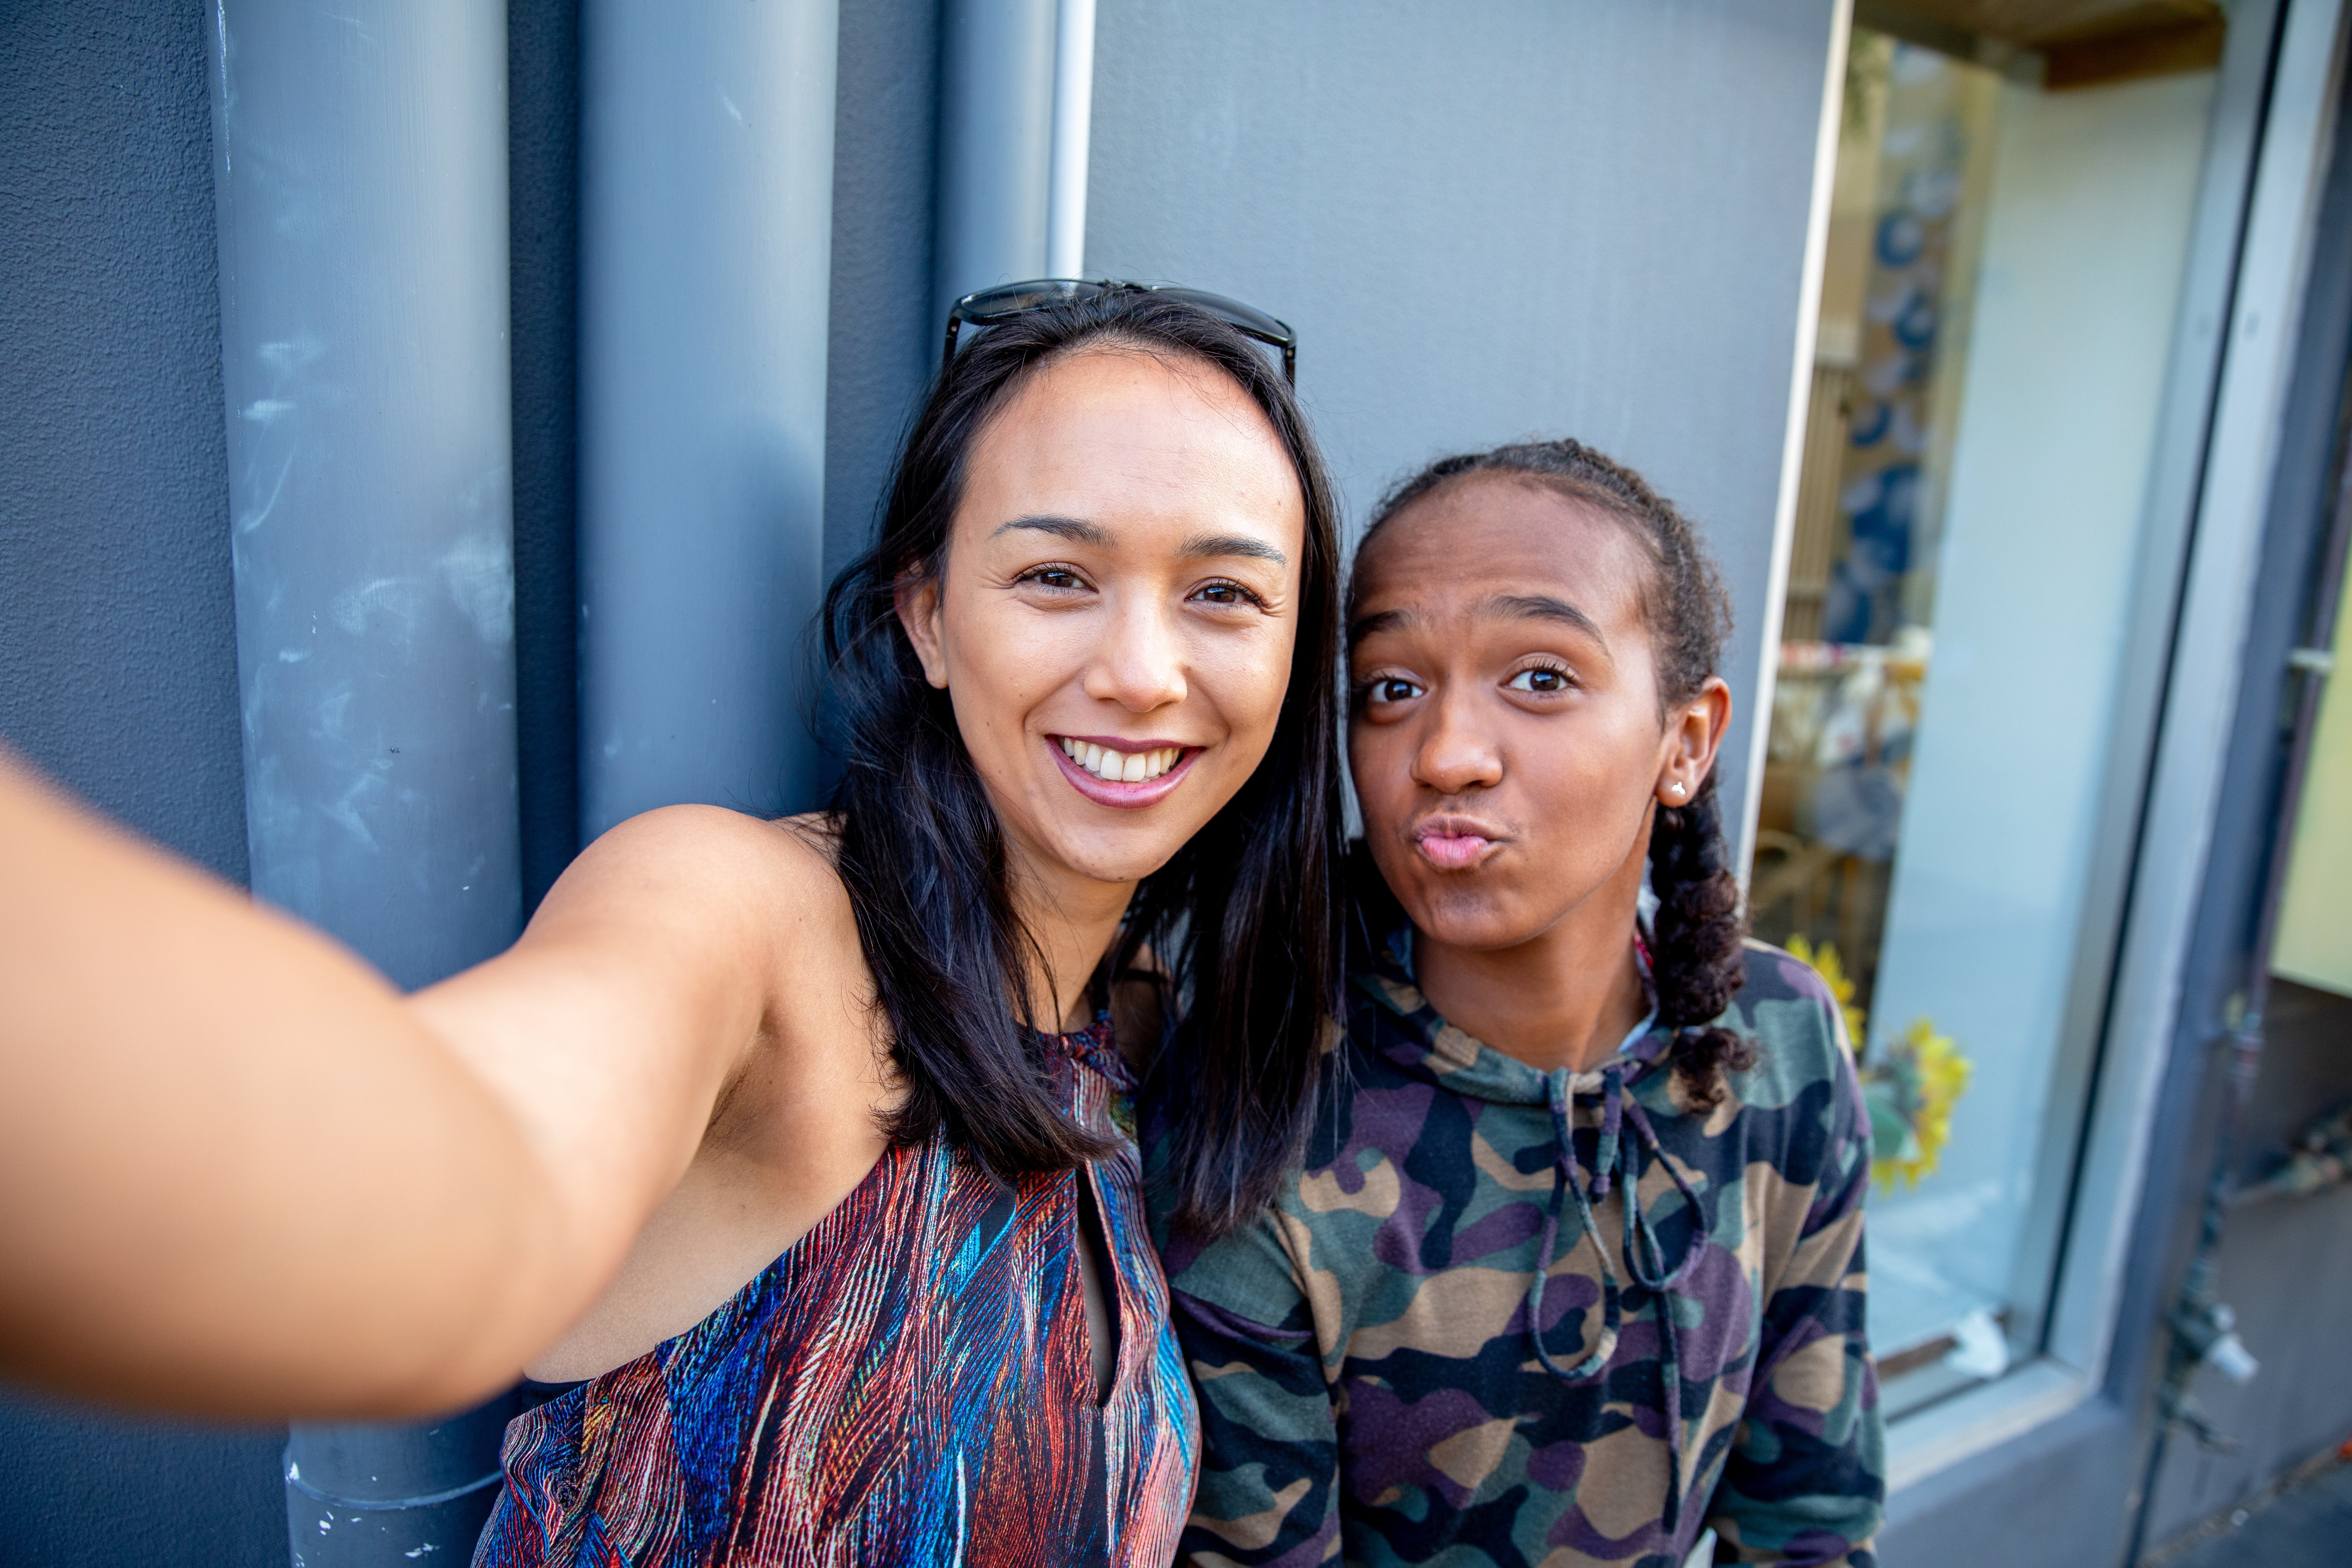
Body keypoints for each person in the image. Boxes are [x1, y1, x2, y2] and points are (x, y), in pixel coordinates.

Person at [0, 285, 1342, 1566]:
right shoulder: (759, 930)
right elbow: (466, 1165)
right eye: (1056, 575)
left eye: (1223, 593)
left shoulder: (1134, 1018)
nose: (1142, 671)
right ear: (927, 617)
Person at [1161, 440, 1883, 1567]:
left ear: (1683, 742)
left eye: (1540, 678)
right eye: (1392, 689)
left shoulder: (1777, 1039)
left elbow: (1811, 1517)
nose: (1445, 753)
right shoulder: (1263, 1121)